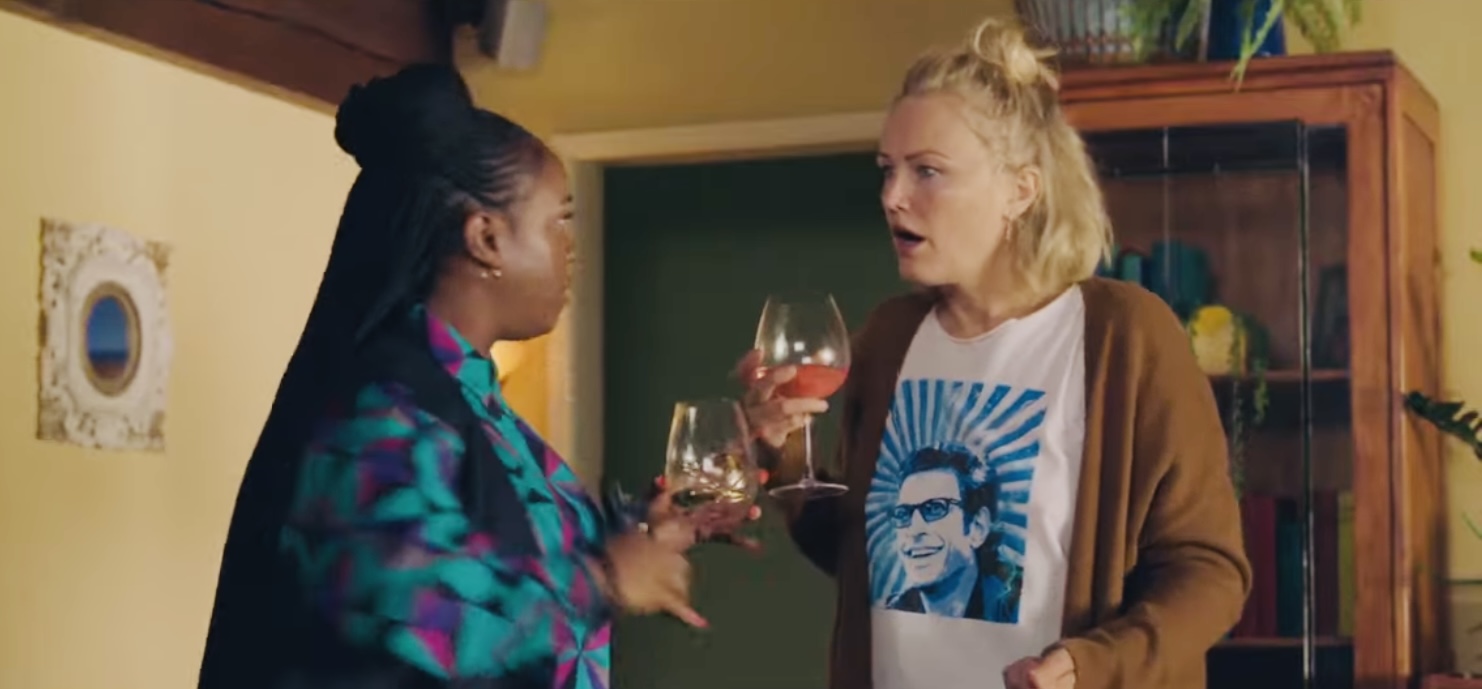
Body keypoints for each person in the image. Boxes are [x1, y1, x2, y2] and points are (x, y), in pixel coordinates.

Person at [741, 17, 1251, 689]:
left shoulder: (1126, 337)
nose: (893, 197)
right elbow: (864, 559)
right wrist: (782, 454)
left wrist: (1093, 663)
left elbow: (1210, 571)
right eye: (888, 170)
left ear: (1020, 189)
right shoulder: (887, 340)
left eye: (927, 171)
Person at [198, 64, 712, 689]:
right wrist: (604, 579)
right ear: (485, 238)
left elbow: (518, 548)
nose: (570, 250)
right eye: (558, 222)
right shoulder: (382, 405)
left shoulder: (473, 402)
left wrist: (654, 525)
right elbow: (405, 596)